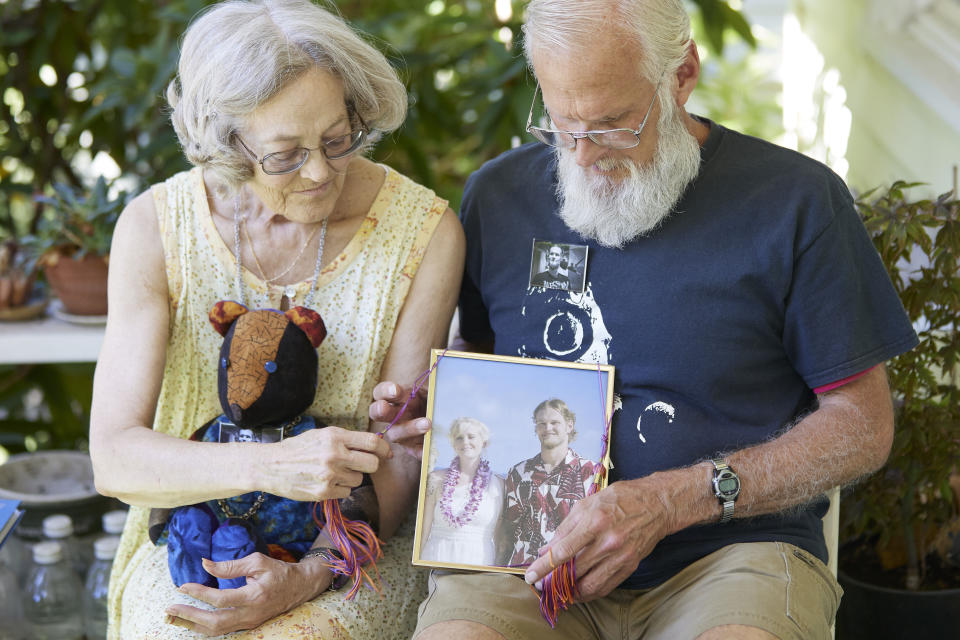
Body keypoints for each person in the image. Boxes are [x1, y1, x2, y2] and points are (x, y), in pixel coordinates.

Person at [370, 1, 919, 638]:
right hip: (530, 559)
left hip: (730, 557)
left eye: (611, 125)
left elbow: (863, 425)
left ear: (682, 73)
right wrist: (435, 404)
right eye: (560, 123)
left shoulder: (795, 201)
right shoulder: (498, 196)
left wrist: (675, 499)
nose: (580, 156)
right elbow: (484, 353)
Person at [88, 1, 464, 638]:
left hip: (352, 542)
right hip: (189, 532)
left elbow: (400, 462)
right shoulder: (156, 229)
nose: (321, 172)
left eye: (337, 138)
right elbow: (115, 459)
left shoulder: (423, 233)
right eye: (285, 155)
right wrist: (267, 465)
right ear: (227, 145)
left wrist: (313, 572)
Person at [499, 399, 595, 567]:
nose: (547, 428)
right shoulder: (518, 473)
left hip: (570, 572)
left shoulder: (591, 472)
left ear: (569, 426)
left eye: (554, 422)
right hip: (521, 571)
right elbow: (508, 529)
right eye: (541, 423)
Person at [419, 418, 504, 566]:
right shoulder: (435, 479)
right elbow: (423, 531)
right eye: (459, 437)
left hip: (480, 564)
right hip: (437, 558)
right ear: (453, 443)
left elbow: (499, 537)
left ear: (483, 442)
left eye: (471, 437)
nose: (465, 442)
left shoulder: (498, 485)